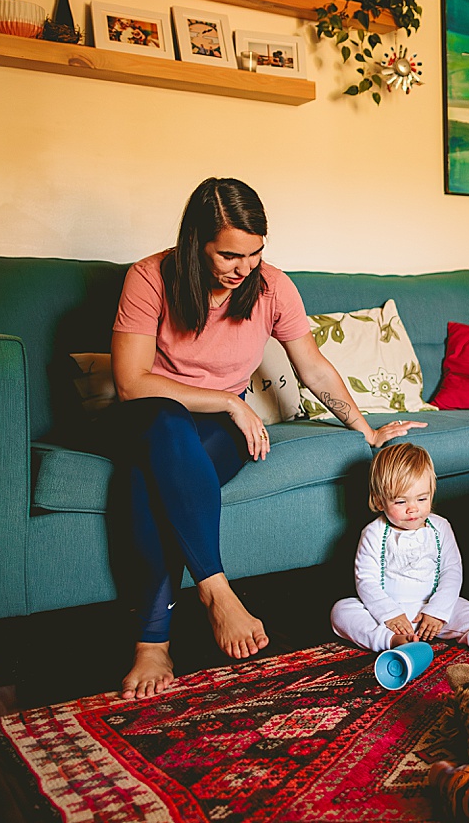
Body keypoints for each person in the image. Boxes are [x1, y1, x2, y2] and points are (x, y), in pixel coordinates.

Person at [101, 177, 426, 700]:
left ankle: (152, 643)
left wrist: (365, 429)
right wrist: (231, 400)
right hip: (149, 416)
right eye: (229, 254)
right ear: (195, 242)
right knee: (163, 426)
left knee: (150, 476)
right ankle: (215, 593)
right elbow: (131, 382)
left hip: (214, 432)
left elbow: (314, 368)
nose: (243, 267)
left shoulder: (272, 286)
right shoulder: (150, 277)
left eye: (255, 253)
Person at [330, 443, 469, 659]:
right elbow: (365, 580)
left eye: (422, 499)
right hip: (389, 615)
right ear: (379, 501)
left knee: (464, 608)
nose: (413, 508)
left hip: (433, 612)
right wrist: (390, 614)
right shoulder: (373, 533)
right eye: (400, 501)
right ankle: (393, 641)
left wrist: (437, 611)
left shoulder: (441, 527)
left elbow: (451, 572)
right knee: (342, 611)